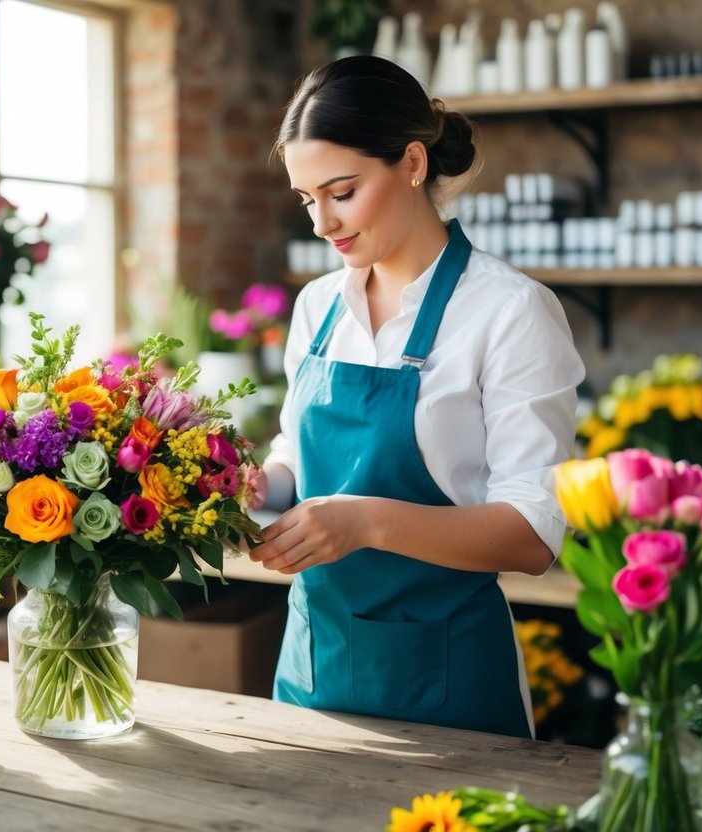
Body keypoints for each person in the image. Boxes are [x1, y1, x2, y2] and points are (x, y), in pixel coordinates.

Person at [250, 56, 585, 739]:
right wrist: (257, 486)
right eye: (306, 199)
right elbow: (294, 452)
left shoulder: (510, 311)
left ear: (409, 162)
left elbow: (532, 535)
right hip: (315, 665)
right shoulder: (318, 307)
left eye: (340, 192)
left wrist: (366, 522)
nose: (321, 223)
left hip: (448, 687)